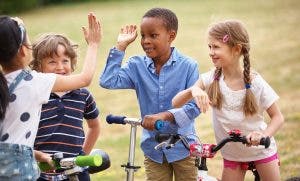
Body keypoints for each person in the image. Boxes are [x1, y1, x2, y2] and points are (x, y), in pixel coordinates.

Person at [172, 19, 284, 181]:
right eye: (209, 47)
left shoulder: (255, 82)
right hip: (232, 155)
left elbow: (278, 117)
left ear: (236, 49)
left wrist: (263, 135)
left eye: (216, 47)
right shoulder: (211, 79)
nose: (211, 52)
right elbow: (175, 103)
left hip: (261, 151)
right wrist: (193, 89)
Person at [100, 7, 200, 181]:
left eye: (153, 36)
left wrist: (165, 116)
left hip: (184, 148)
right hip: (153, 149)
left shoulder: (188, 66)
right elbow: (108, 81)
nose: (145, 41)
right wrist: (120, 47)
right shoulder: (136, 65)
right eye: (143, 35)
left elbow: (194, 107)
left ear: (171, 36)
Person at [0, 13, 101, 180]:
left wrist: (38, 155)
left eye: (64, 61)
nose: (60, 66)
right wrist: (94, 44)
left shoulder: (5, 84)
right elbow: (85, 79)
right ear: (24, 50)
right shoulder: (34, 83)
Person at [30, 33, 101, 181]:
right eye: (52, 62)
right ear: (38, 66)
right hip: (41, 173)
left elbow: (94, 126)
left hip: (76, 171)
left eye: (65, 61)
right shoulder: (34, 95)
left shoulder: (83, 95)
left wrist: (83, 155)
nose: (60, 67)